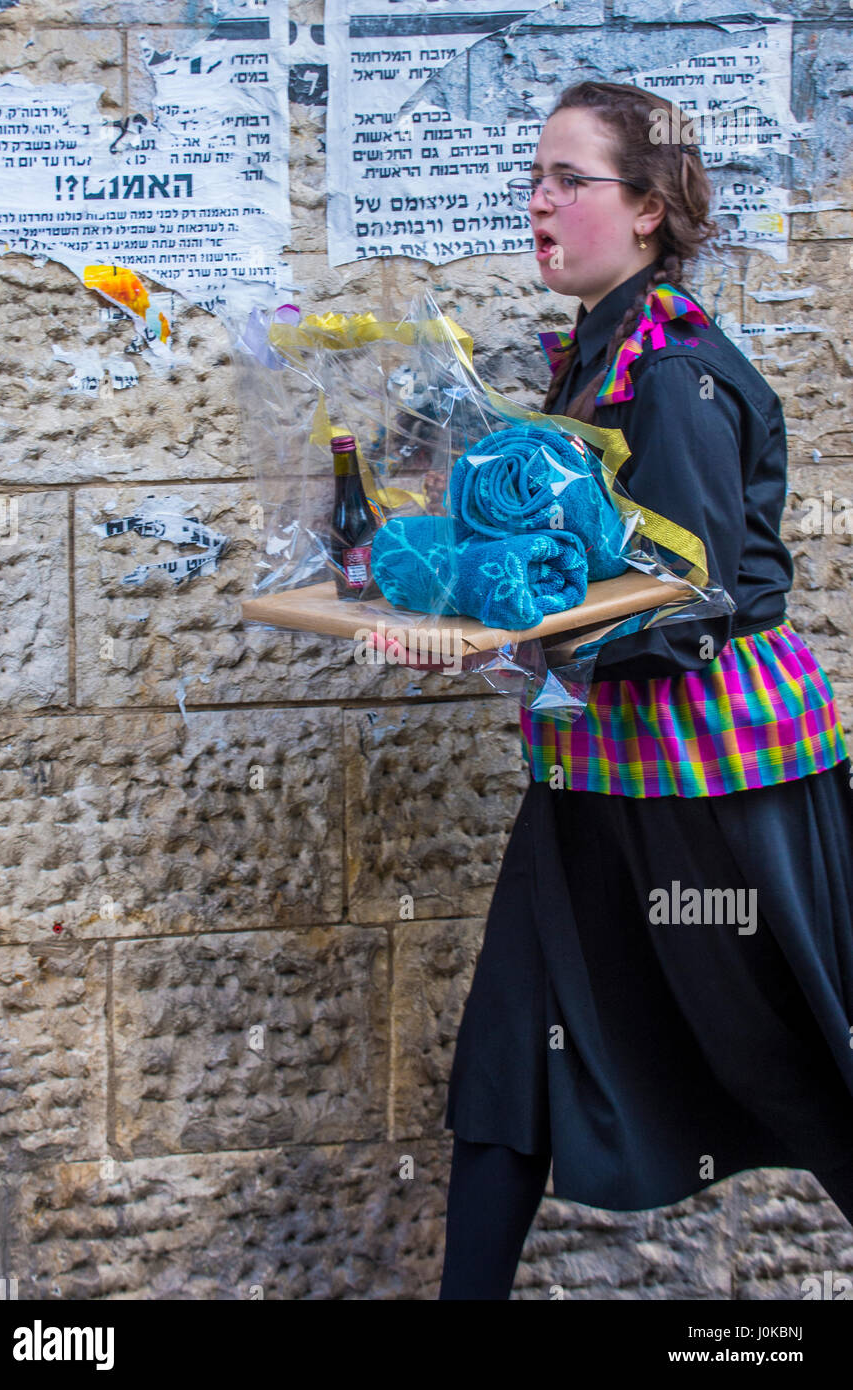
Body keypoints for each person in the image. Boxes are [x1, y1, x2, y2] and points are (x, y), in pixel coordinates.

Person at [438, 80, 853, 1301]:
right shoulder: (596, 349)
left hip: (717, 781)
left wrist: (519, 647)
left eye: (568, 178)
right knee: (510, 1055)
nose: (539, 200)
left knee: (799, 1064)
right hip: (598, 770)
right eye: (535, 176)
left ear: (652, 206)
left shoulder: (667, 372)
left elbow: (688, 599)